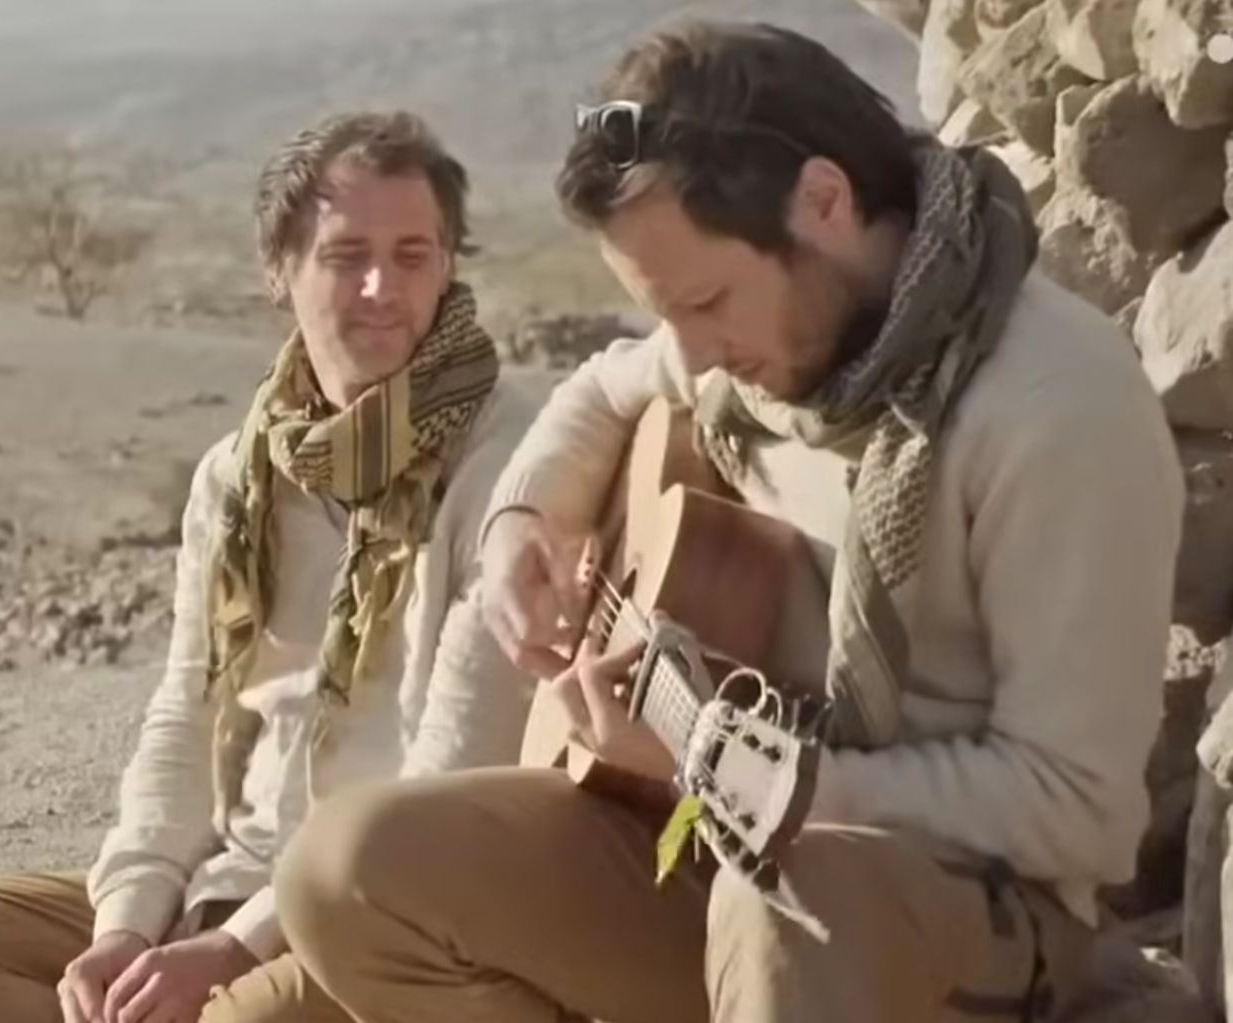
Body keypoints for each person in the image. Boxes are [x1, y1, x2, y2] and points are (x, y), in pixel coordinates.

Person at [272, 20, 1184, 1023]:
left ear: (823, 202)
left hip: (950, 905)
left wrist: (747, 779)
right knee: (344, 870)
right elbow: (600, 393)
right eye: (667, 315)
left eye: (704, 301)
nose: (694, 357)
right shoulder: (770, 335)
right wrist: (520, 525)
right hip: (708, 828)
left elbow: (1074, 814)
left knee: (783, 905)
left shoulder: (1052, 406)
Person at [0, 109, 537, 1023]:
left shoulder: (510, 455)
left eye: (413, 255)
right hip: (228, 880)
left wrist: (235, 949)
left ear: (448, 266)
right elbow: (188, 708)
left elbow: (453, 770)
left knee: (237, 1016)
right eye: (344, 253)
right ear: (278, 271)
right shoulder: (236, 476)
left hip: (390, 909)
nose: (379, 287)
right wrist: (126, 924)